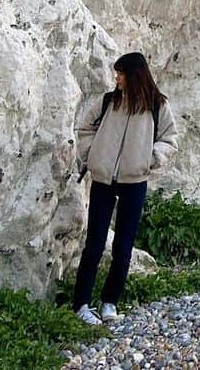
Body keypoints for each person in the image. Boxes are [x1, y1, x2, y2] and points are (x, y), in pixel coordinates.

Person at [70, 52, 178, 325]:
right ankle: (81, 305)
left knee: (123, 247)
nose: (116, 77)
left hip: (135, 182)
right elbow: (84, 129)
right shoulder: (109, 101)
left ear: (134, 74)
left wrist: (150, 159)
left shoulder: (156, 105)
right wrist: (92, 154)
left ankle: (109, 303)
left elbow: (169, 138)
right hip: (103, 181)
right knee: (93, 245)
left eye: (120, 73)